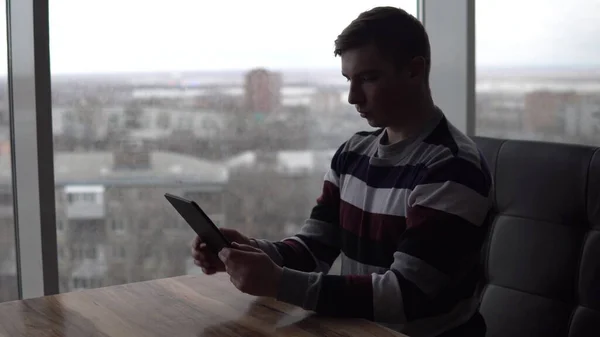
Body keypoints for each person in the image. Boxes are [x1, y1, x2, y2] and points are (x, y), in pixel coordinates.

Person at [191, 6, 492, 337]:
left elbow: (405, 295)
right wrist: (252, 252)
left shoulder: (452, 167)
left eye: (368, 78)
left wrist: (277, 282)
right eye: (349, 80)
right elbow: (313, 249)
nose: (352, 97)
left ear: (414, 70)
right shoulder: (352, 153)